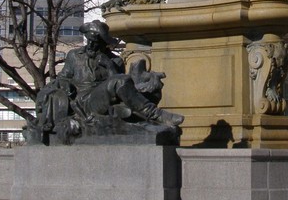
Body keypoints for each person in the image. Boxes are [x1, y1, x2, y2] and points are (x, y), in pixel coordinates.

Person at [34, 21, 183, 144]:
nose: (91, 46)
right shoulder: (74, 56)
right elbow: (63, 77)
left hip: (101, 100)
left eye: (96, 43)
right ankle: (155, 115)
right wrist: (64, 84)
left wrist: (110, 66)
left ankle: (153, 115)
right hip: (82, 103)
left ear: (104, 44)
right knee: (120, 81)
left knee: (120, 80)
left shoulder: (114, 60)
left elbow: (121, 89)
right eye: (90, 41)